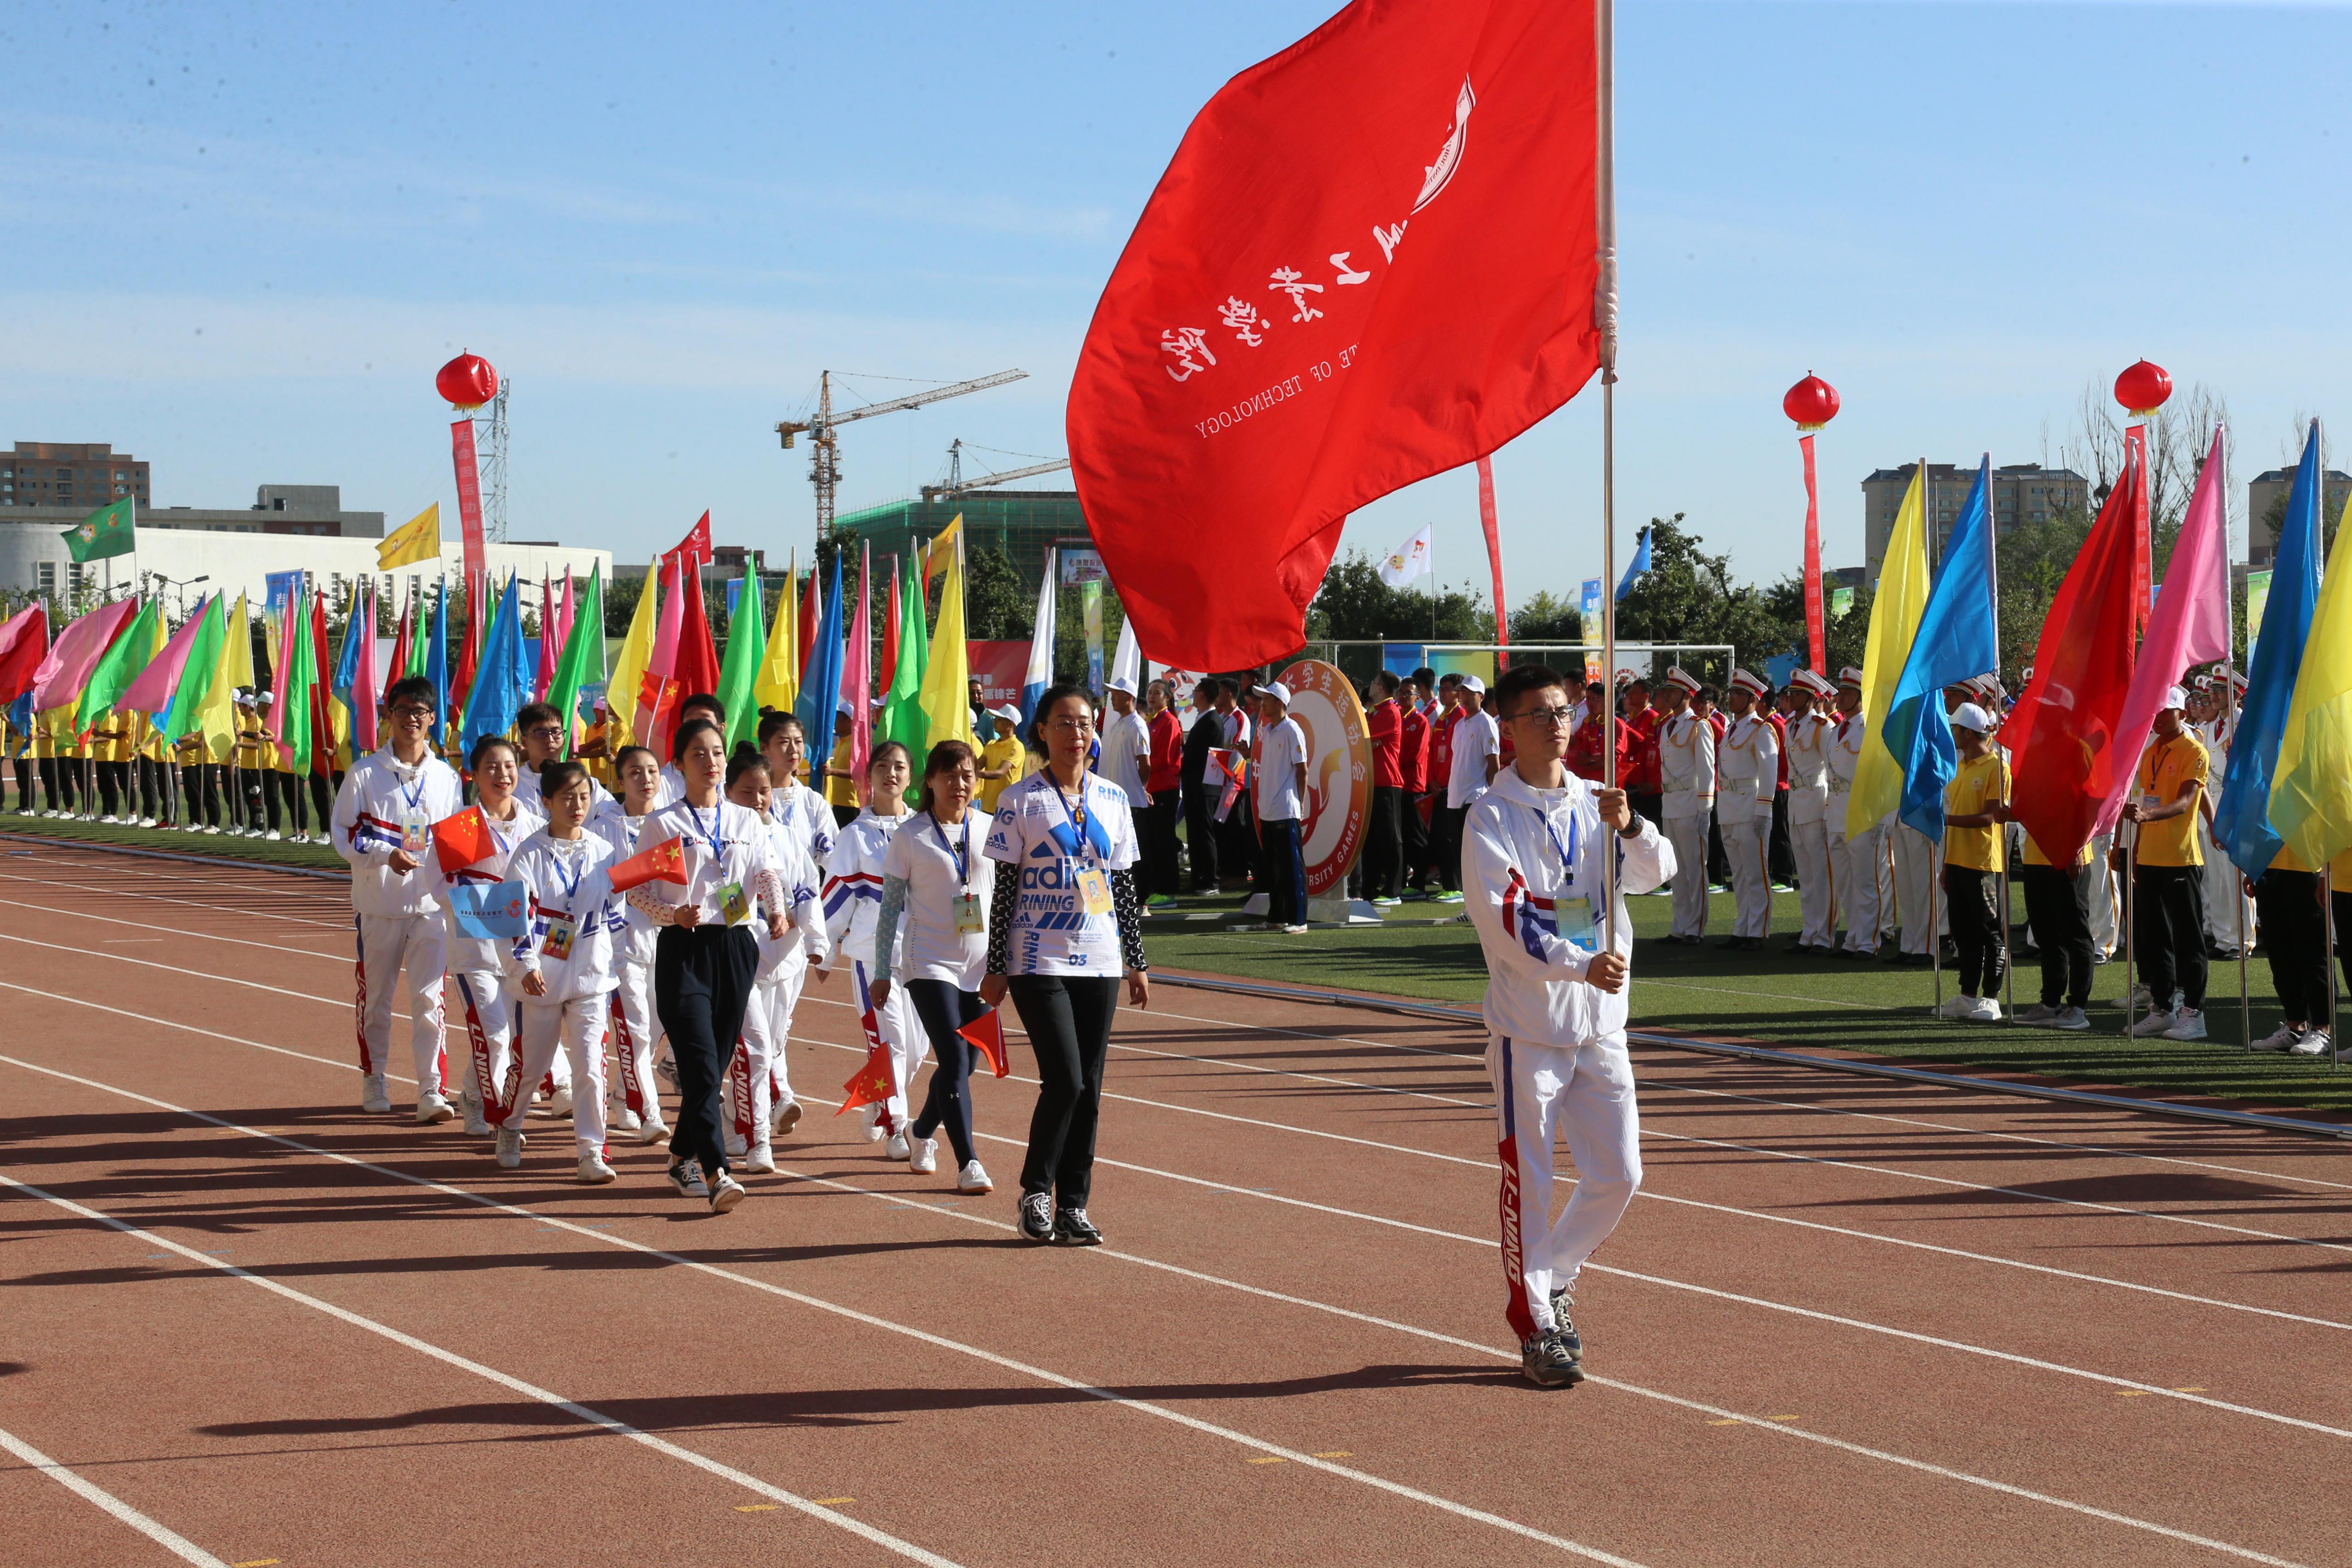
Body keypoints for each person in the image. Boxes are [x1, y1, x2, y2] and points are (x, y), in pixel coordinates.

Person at [1460, 663, 1674, 1389]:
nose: (1556, 724)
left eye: (1562, 711)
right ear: (1509, 726)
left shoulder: (1597, 800)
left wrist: (1633, 825)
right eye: (1539, 714)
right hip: (1531, 1029)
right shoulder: (1492, 817)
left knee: (1620, 1173)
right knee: (1531, 1180)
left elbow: (1656, 871)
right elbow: (1509, 920)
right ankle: (1536, 1327)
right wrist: (1580, 964)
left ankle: (1553, 1279)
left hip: (1601, 1025)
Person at [982, 683, 1149, 1245]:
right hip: (1037, 956)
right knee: (1065, 1079)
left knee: (1090, 1087)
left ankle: (1073, 1204)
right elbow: (1004, 889)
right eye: (1063, 722)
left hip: (1099, 958)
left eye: (1083, 723)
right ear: (1042, 731)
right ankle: (1035, 1191)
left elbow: (1122, 885)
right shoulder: (1019, 800)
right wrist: (997, 963)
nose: (1074, 733)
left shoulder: (1113, 798)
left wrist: (1135, 959)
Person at [628, 718, 786, 1213]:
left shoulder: (745, 819)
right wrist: (671, 913)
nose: (710, 761)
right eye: (698, 753)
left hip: (735, 946)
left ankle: (680, 1156)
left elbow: (765, 871)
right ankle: (718, 1172)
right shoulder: (663, 822)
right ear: (678, 763)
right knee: (698, 1065)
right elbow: (636, 891)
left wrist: (776, 909)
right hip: (684, 949)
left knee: (711, 1070)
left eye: (716, 752)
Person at [333, 674, 466, 1121]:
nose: (412, 718)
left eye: (420, 711)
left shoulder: (446, 777)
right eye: (403, 709)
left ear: (432, 718)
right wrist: (384, 854)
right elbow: (345, 832)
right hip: (380, 906)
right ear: (389, 715)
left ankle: (432, 1088)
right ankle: (375, 1075)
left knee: (431, 1000)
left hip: (432, 908)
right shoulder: (364, 773)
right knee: (377, 999)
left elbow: (455, 841)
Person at [872, 739, 999, 1194]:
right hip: (929, 960)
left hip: (980, 964)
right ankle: (969, 1163)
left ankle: (921, 1129)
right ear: (930, 781)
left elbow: (1006, 897)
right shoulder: (911, 836)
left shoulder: (991, 828)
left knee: (966, 1063)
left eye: (967, 775)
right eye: (949, 775)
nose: (959, 784)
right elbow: (890, 907)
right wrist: (882, 971)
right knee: (952, 1056)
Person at [493, 761, 621, 1181]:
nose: (577, 805)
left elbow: (616, 911)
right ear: (547, 801)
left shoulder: (603, 851)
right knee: (532, 1066)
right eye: (567, 797)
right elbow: (513, 917)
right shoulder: (529, 853)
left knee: (591, 1065)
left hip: (591, 975)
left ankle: (591, 1151)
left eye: (584, 796)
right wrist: (526, 965)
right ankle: (510, 1125)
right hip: (542, 977)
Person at [436, 734, 548, 1135]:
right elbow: (438, 885)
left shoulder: (536, 826)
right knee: (494, 1035)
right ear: (475, 774)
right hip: (476, 949)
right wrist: (492, 909)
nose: (502, 774)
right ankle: (497, 1114)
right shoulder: (459, 826)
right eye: (492, 767)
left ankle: (470, 1094)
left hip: (520, 952)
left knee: (512, 1036)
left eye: (509, 766)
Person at [819, 741, 925, 1153]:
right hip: (871, 955)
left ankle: (877, 1096)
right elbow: (836, 896)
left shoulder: (923, 828)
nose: (891, 774)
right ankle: (898, 1126)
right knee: (891, 1041)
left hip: (923, 954)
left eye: (899, 766)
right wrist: (825, 950)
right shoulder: (854, 836)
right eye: (882, 766)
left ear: (910, 776)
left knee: (916, 1050)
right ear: (869, 776)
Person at [726, 752, 830, 1174]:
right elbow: (721, 891)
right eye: (746, 791)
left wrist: (816, 941)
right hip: (740, 957)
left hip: (786, 960)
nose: (756, 799)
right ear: (728, 792)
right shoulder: (726, 838)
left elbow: (807, 889)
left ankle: (734, 1117)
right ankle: (755, 1135)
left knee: (771, 1046)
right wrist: (753, 919)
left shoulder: (787, 837)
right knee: (753, 1049)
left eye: (764, 791)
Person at [588, 744, 671, 1142]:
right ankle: (649, 1111)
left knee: (655, 1028)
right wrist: (640, 872)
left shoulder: (673, 822)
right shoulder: (604, 827)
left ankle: (623, 1093)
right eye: (635, 772)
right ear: (620, 781)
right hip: (621, 945)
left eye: (652, 771)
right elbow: (598, 884)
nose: (646, 779)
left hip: (668, 943)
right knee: (635, 1028)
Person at [2122, 688, 2213, 1040]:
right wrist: (2136, 849)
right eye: (2156, 711)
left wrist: (2147, 816)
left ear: (2182, 714)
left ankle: (2194, 1013)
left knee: (2188, 939)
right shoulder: (2151, 753)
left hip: (2180, 858)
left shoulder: (2195, 751)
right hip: (2150, 858)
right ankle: (2162, 1007)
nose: (2158, 718)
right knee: (2155, 938)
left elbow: (2186, 801)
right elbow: (2145, 800)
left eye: (2166, 711)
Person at [1937, 703, 2009, 1022]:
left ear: (1967, 733)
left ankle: (1991, 999)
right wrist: (1946, 864)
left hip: (1983, 862)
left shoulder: (1997, 767)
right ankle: (1968, 996)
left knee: (1990, 933)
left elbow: (1990, 817)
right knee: (1964, 933)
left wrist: (1946, 821)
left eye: (1955, 728)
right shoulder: (1959, 766)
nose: (1952, 733)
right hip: (1957, 860)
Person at [1714, 669, 1778, 951]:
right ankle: (1743, 927)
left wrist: (1764, 809)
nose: (1731, 698)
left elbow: (1769, 771)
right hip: (1730, 806)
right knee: (1739, 875)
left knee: (1756, 873)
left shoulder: (1761, 729)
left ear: (1753, 699)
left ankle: (1758, 930)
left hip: (1750, 805)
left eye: (1738, 694)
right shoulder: (1733, 728)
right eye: (1731, 693)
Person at [1656, 668, 1716, 945]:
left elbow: (1706, 770)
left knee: (1695, 868)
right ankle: (1679, 926)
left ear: (1686, 695)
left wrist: (1705, 809)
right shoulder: (1667, 725)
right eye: (1666, 690)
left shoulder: (1698, 726)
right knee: (1676, 869)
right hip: (1670, 803)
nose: (1666, 695)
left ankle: (1696, 927)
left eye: (1672, 691)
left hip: (1691, 803)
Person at [1250, 680, 1312, 932]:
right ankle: (1276, 917)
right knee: (1273, 869)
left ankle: (1299, 920)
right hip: (1268, 810)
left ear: (1280, 703)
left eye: (1267, 699)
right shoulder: (1268, 730)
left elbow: (1302, 769)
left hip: (1286, 809)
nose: (1262, 704)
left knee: (1292, 868)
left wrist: (1300, 802)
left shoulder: (1292, 730)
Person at [1782, 672, 1837, 954]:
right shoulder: (1789, 725)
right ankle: (1809, 932)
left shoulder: (1823, 726)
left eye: (1798, 694)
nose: (1791, 698)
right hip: (1796, 803)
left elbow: (1832, 768)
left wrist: (1828, 809)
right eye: (1790, 693)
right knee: (1805, 874)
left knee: (1821, 874)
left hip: (1817, 800)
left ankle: (1825, 935)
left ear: (1812, 698)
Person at [1438, 675, 1497, 905]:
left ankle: (1480, 897)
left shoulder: (1486, 723)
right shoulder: (1460, 724)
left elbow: (1493, 762)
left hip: (1476, 796)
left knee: (1474, 851)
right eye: (1462, 692)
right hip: (1456, 795)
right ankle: (1466, 895)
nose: (1464, 697)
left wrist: (1493, 795)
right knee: (1457, 848)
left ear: (1481, 697)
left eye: (1470, 693)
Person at [513, 701, 613, 815]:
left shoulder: (586, 783)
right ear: (525, 741)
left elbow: (616, 817)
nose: (550, 739)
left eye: (556, 732)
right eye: (541, 733)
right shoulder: (514, 784)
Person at [1140, 679, 1184, 905]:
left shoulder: (1169, 722)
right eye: (1149, 692)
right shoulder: (1152, 721)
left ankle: (1168, 891)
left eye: (1157, 692)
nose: (1151, 696)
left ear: (1167, 697)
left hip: (1164, 789)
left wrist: (1139, 765)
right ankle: (1156, 886)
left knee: (1164, 841)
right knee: (1153, 841)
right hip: (1151, 789)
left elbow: (1165, 759)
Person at [1363, 671, 1406, 904]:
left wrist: (1373, 743)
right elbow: (1368, 742)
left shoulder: (1390, 711)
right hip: (1371, 781)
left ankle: (1393, 889)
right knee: (1371, 837)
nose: (1371, 686)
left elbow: (1364, 738)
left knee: (1391, 836)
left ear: (1381, 688)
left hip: (1388, 782)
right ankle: (1369, 887)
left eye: (1374, 682)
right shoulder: (1375, 711)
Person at [1210, 679, 1258, 891]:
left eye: (1220, 692)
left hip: (1235, 783)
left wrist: (1226, 774)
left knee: (1235, 827)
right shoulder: (1224, 717)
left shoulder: (1240, 719)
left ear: (1229, 694)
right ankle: (1228, 870)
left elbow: (1238, 753)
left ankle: (1239, 873)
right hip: (1222, 781)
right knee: (1225, 827)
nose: (1217, 696)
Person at [1179, 685, 1225, 894]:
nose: (1193, 695)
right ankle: (1198, 878)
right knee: (1195, 834)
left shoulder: (1213, 721)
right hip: (1195, 786)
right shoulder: (1203, 719)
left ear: (1203, 694)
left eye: (1196, 691)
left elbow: (1202, 756)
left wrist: (1183, 764)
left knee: (1205, 834)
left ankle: (1210, 881)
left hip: (1205, 787)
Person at [655, 693, 727, 807]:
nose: (698, 729)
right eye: (690, 723)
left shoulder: (736, 777)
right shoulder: (662, 781)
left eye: (706, 722)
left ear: (721, 729)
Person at [1398, 676, 1433, 897]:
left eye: (1408, 693)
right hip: (1397, 785)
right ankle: (1401, 881)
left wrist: (1390, 758)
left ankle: (1419, 882)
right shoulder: (1396, 718)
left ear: (1417, 698)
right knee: (1400, 836)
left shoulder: (1420, 721)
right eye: (1400, 692)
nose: (1403, 697)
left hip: (1413, 786)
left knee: (1415, 836)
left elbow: (1415, 756)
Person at [980, 704, 1027, 816]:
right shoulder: (991, 744)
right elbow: (977, 765)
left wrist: (973, 773)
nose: (994, 722)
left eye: (999, 719)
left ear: (1011, 724)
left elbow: (1000, 773)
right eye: (995, 719)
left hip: (1006, 808)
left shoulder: (1016, 747)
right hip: (987, 807)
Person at [822, 707, 861, 826]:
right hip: (838, 801)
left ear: (850, 721)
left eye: (838, 719)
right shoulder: (842, 742)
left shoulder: (856, 744)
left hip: (851, 803)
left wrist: (832, 771)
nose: (835, 723)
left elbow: (858, 773)